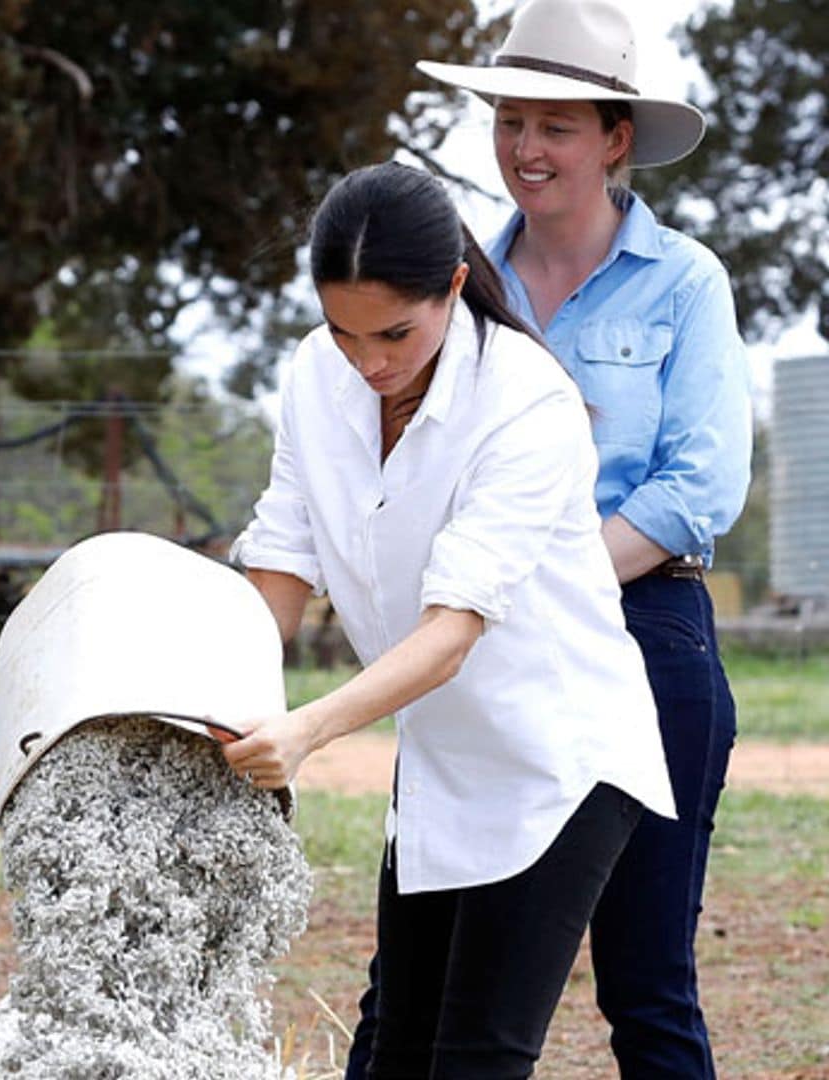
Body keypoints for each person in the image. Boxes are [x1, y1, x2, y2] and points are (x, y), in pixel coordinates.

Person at [336, 3, 753, 1075]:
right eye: (511, 120)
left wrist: (532, 577)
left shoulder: (686, 284)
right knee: (410, 987)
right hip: (477, 654)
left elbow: (700, 485)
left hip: (642, 636)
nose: (526, 148)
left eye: (557, 126)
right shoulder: (455, 288)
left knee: (647, 983)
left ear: (615, 139)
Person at [223, 161, 676, 1078]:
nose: (371, 362)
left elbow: (453, 631)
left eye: (396, 332)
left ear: (457, 287)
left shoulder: (527, 402)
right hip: (443, 756)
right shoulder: (319, 373)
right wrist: (217, 690)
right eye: (344, 331)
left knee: (476, 1058)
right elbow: (282, 552)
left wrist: (306, 728)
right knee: (392, 1049)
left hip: (561, 761)